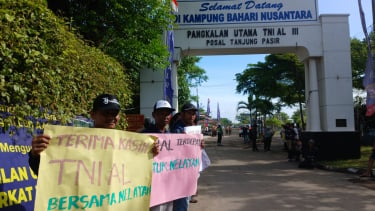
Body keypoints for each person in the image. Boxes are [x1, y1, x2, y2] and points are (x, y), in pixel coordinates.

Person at [28, 93, 159, 175]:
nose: (111, 117)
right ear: (92, 114)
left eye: (114, 113)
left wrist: (150, 155)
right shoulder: (74, 142)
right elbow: (48, 173)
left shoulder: (127, 145)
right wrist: (36, 155)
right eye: (105, 113)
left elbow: (138, 174)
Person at [141, 100, 175, 211]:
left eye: (167, 113)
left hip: (168, 185)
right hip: (151, 186)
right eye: (161, 113)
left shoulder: (172, 136)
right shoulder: (144, 135)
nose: (165, 116)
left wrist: (195, 147)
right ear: (153, 115)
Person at [171, 103, 203, 210]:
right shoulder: (178, 129)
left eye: (194, 114)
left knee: (185, 201)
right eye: (189, 113)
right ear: (182, 114)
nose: (192, 116)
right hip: (180, 172)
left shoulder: (192, 128)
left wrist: (200, 144)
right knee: (182, 203)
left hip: (189, 169)